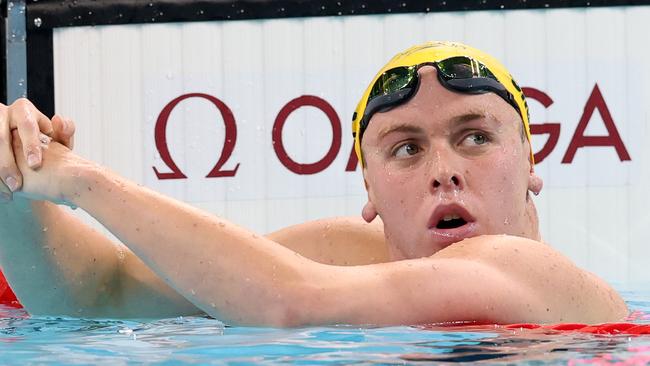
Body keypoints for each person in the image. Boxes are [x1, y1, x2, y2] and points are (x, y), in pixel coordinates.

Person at [0, 41, 627, 326]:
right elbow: (96, 297)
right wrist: (11, 184)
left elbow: (287, 304)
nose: (444, 170)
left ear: (532, 162)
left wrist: (79, 179)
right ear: (370, 191)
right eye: (407, 149)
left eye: (475, 137)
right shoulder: (354, 259)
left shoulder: (530, 270)